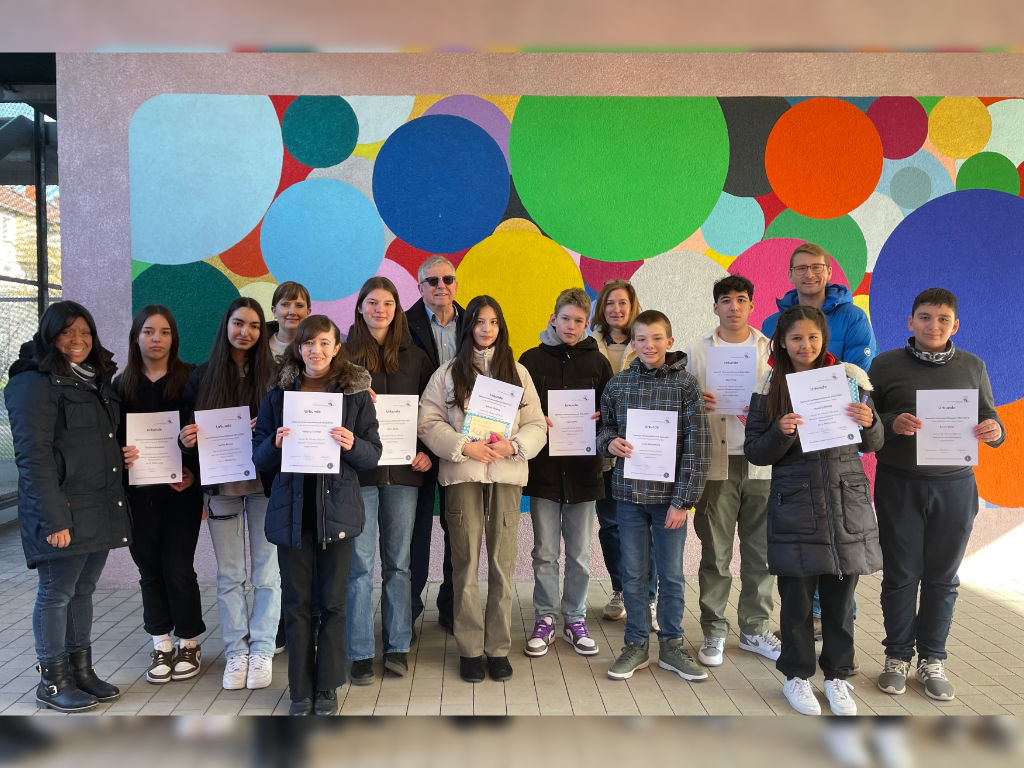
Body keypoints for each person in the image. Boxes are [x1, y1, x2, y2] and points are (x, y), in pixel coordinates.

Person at [743, 305, 883, 716]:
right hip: (797, 509)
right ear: (782, 343)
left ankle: (838, 677)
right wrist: (781, 431)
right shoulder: (770, 388)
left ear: (824, 339)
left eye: (813, 337)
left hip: (845, 505)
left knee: (841, 605)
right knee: (798, 604)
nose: (806, 345)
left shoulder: (849, 380)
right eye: (796, 338)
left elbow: (873, 442)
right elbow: (756, 451)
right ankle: (797, 677)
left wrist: (870, 420)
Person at [871, 288, 1005, 702]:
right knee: (900, 575)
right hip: (899, 482)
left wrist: (993, 431)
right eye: (925, 317)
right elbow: (867, 423)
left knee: (942, 578)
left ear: (955, 325)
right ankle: (896, 657)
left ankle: (933, 659)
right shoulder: (885, 364)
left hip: (955, 485)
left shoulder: (972, 365)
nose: (933, 326)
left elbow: (989, 416)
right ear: (910, 322)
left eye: (942, 319)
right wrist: (893, 421)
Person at [253, 314, 382, 716]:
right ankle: (299, 690)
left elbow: (373, 455)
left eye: (325, 343)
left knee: (332, 604)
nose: (316, 351)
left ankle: (326, 687)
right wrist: (273, 444)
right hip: (292, 515)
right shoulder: (278, 394)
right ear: (298, 347)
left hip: (336, 515)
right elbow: (257, 457)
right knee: (296, 605)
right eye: (309, 343)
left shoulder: (355, 395)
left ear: (337, 348)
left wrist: (351, 443)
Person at [5, 301, 130, 712]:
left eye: (85, 333)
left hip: (96, 505)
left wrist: (118, 454)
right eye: (67, 332)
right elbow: (33, 456)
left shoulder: (93, 379)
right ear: (50, 335)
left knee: (83, 591)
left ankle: (81, 671)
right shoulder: (33, 383)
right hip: (64, 510)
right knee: (56, 593)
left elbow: (89, 441)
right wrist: (53, 518)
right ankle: (53, 681)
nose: (77, 341)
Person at [418, 295, 547, 683]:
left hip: (506, 475)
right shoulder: (447, 373)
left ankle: (497, 648)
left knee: (503, 565)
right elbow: (428, 422)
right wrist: (463, 445)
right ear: (468, 327)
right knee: (465, 565)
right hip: (463, 476)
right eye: (478, 322)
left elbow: (537, 425)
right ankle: (471, 649)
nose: (485, 329)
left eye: (492, 322)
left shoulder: (518, 374)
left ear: (500, 326)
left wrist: (513, 445)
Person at [761, 242, 878, 644]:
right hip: (795, 454)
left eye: (817, 268)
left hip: (836, 442)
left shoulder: (853, 317)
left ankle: (837, 638)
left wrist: (838, 400)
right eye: (801, 268)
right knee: (805, 549)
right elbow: (771, 375)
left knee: (841, 550)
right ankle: (805, 632)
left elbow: (859, 375)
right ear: (790, 274)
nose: (809, 274)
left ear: (829, 272)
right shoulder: (774, 320)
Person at [597, 309, 711, 683]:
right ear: (633, 343)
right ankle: (636, 644)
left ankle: (673, 645)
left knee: (672, 575)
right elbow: (604, 431)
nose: (649, 345)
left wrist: (683, 500)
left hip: (669, 502)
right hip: (628, 496)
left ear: (670, 341)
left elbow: (698, 446)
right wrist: (609, 442)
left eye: (657, 338)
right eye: (641, 339)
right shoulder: (618, 385)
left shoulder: (686, 386)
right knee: (632, 574)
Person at [179, 296, 280, 691]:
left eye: (254, 326)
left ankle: (263, 649)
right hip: (221, 487)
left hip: (263, 487)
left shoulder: (274, 377)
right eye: (239, 323)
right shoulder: (202, 376)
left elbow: (287, 430)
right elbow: (187, 429)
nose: (246, 332)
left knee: (267, 574)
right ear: (227, 327)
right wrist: (186, 438)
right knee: (229, 575)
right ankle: (236, 650)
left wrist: (267, 428)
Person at [684, 275, 780, 668]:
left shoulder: (769, 350)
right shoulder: (697, 351)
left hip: (763, 462)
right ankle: (714, 630)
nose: (734, 307)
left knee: (761, 554)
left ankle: (756, 629)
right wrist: (696, 400)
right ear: (715, 307)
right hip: (716, 464)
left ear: (751, 305)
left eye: (742, 299)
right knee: (717, 553)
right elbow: (682, 404)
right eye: (726, 300)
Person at [344, 277, 434, 685]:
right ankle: (360, 652)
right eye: (372, 302)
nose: (380, 309)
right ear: (360, 307)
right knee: (360, 567)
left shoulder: (416, 359)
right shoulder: (343, 358)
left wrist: (426, 452)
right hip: (357, 475)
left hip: (404, 475)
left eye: (387, 303)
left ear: (397, 309)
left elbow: (432, 417)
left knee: (398, 564)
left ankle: (397, 645)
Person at [518, 288, 612, 658]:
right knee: (544, 552)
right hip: (543, 471)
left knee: (579, 554)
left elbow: (612, 413)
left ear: (586, 324)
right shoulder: (530, 360)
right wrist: (534, 418)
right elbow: (519, 411)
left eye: (579, 321)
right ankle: (544, 618)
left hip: (584, 472)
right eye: (565, 318)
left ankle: (574, 618)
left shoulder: (598, 362)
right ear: (552, 318)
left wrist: (604, 417)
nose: (571, 326)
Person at [117, 305, 205, 685]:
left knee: (179, 569)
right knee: (148, 570)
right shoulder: (120, 386)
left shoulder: (192, 379)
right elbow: (108, 439)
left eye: (165, 332)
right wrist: (119, 454)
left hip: (181, 492)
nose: (157, 339)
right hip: (137, 495)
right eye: (149, 332)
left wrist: (193, 470)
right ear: (136, 337)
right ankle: (161, 643)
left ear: (174, 337)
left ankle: (189, 641)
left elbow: (207, 435)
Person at [587, 279, 659, 629]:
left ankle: (648, 598)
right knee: (612, 526)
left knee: (645, 527)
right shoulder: (589, 344)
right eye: (610, 302)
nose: (617, 309)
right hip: (604, 452)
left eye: (624, 303)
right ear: (602, 307)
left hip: (643, 453)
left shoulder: (645, 342)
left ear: (633, 307)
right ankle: (620, 591)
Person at [405, 256, 465, 635]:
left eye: (448, 279)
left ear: (456, 284)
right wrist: (418, 446)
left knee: (459, 529)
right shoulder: (402, 324)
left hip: (465, 446)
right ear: (420, 286)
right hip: (419, 446)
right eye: (432, 280)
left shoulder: (475, 321)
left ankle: (453, 606)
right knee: (416, 534)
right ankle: (407, 612)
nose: (440, 285)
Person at [267, 281, 312, 363]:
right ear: (274, 311)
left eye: (299, 305)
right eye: (285, 304)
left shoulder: (317, 350)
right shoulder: (257, 346)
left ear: (308, 312)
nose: (292, 312)